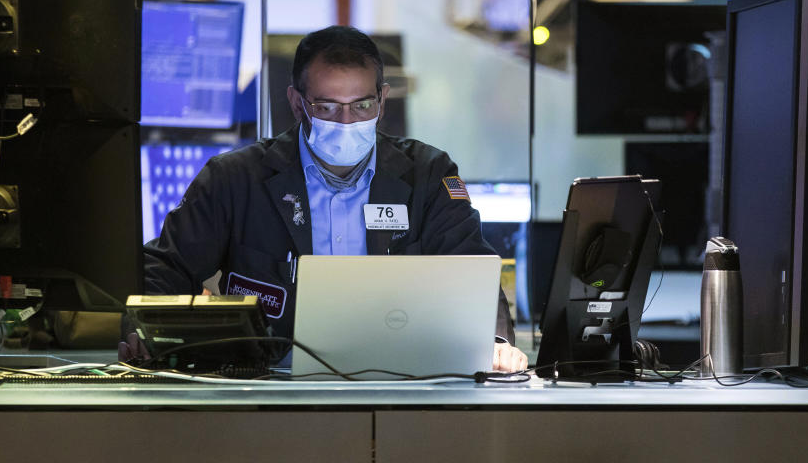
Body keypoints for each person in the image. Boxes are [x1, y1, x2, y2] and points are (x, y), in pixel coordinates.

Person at [134, 26, 527, 373]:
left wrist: (493, 344)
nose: (346, 122)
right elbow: (165, 266)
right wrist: (147, 334)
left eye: (362, 105)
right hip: (269, 387)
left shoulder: (428, 174)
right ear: (296, 102)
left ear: (383, 100)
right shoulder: (235, 179)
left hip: (401, 384)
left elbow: (472, 273)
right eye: (326, 107)